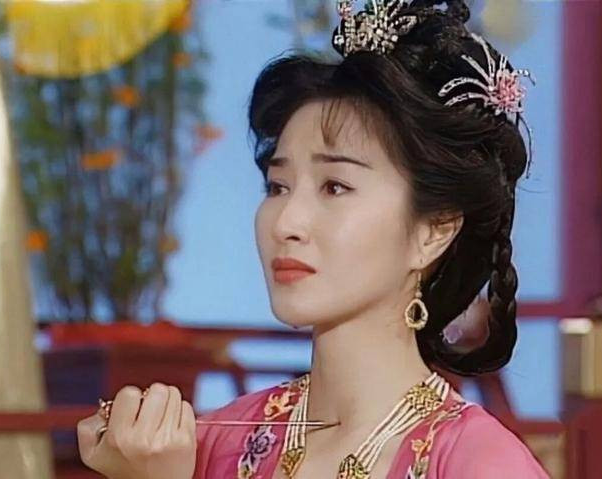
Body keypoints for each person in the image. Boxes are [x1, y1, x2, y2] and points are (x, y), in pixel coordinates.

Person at [77, 1, 550, 477]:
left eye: (334, 187)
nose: (286, 222)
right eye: (277, 187)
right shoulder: (210, 443)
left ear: (434, 230)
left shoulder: (479, 463)